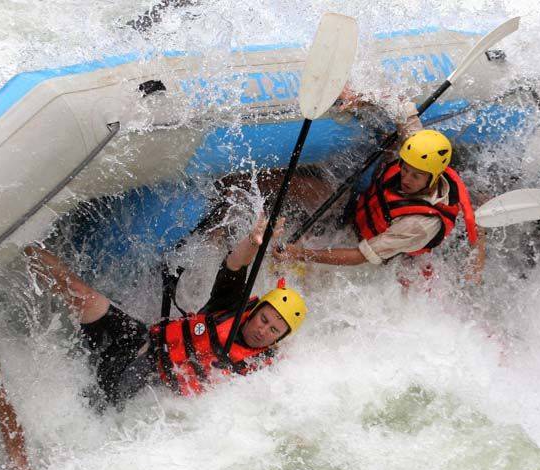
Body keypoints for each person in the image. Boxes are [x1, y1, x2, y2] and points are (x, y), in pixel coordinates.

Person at [24, 214, 307, 406]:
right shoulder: (229, 308)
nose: (262, 330)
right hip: (142, 341)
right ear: (255, 311)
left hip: (142, 387)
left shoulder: (259, 374)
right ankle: (23, 247)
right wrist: (253, 242)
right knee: (83, 296)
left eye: (273, 330)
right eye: (264, 319)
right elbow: (235, 265)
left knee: (91, 404)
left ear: (279, 339)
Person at [273, 97, 479, 268]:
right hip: (363, 203)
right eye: (405, 169)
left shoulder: (420, 225)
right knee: (308, 187)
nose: (406, 178)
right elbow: (401, 106)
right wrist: (362, 99)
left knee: (314, 201)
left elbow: (360, 256)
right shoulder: (417, 149)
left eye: (416, 176)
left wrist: (300, 254)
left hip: (369, 247)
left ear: (433, 178)